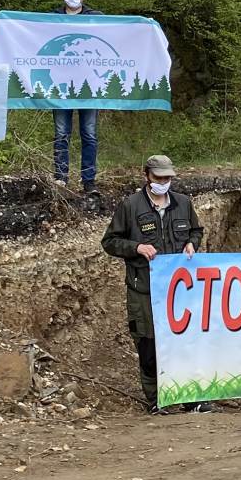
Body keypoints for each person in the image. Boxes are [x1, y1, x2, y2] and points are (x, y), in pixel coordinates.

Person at [101, 155, 203, 413]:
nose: (163, 182)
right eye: (158, 177)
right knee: (148, 344)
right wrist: (137, 247)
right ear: (146, 175)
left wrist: (192, 244)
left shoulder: (183, 203)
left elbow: (196, 231)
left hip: (178, 289)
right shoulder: (130, 206)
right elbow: (110, 242)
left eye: (167, 178)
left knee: (183, 342)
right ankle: (156, 399)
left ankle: (190, 399)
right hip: (143, 288)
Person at [52, 0, 100, 197]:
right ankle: (61, 178)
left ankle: (88, 180)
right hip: (60, 86)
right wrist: (2, 19)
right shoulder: (51, 19)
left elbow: (121, 31)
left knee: (89, 134)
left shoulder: (96, 19)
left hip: (89, 87)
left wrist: (144, 25)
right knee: (61, 133)